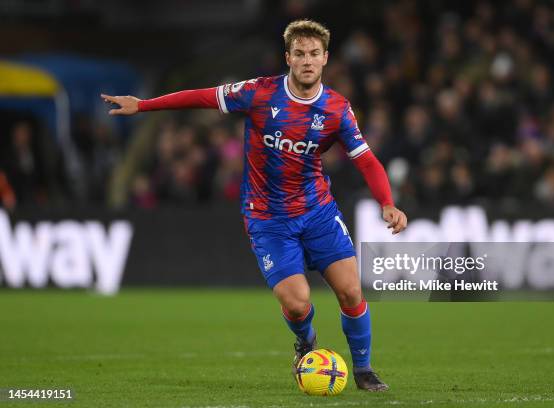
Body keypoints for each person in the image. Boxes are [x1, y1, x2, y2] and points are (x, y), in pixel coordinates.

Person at [101, 19, 407, 392]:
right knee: (297, 303)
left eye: (314, 54)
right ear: (288, 58)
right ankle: (305, 340)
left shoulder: (337, 109)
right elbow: (201, 96)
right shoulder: (259, 93)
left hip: (318, 213)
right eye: (299, 54)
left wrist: (387, 203)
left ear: (325, 59)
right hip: (268, 218)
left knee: (351, 292)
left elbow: (367, 160)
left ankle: (363, 370)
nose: (307, 61)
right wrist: (144, 105)